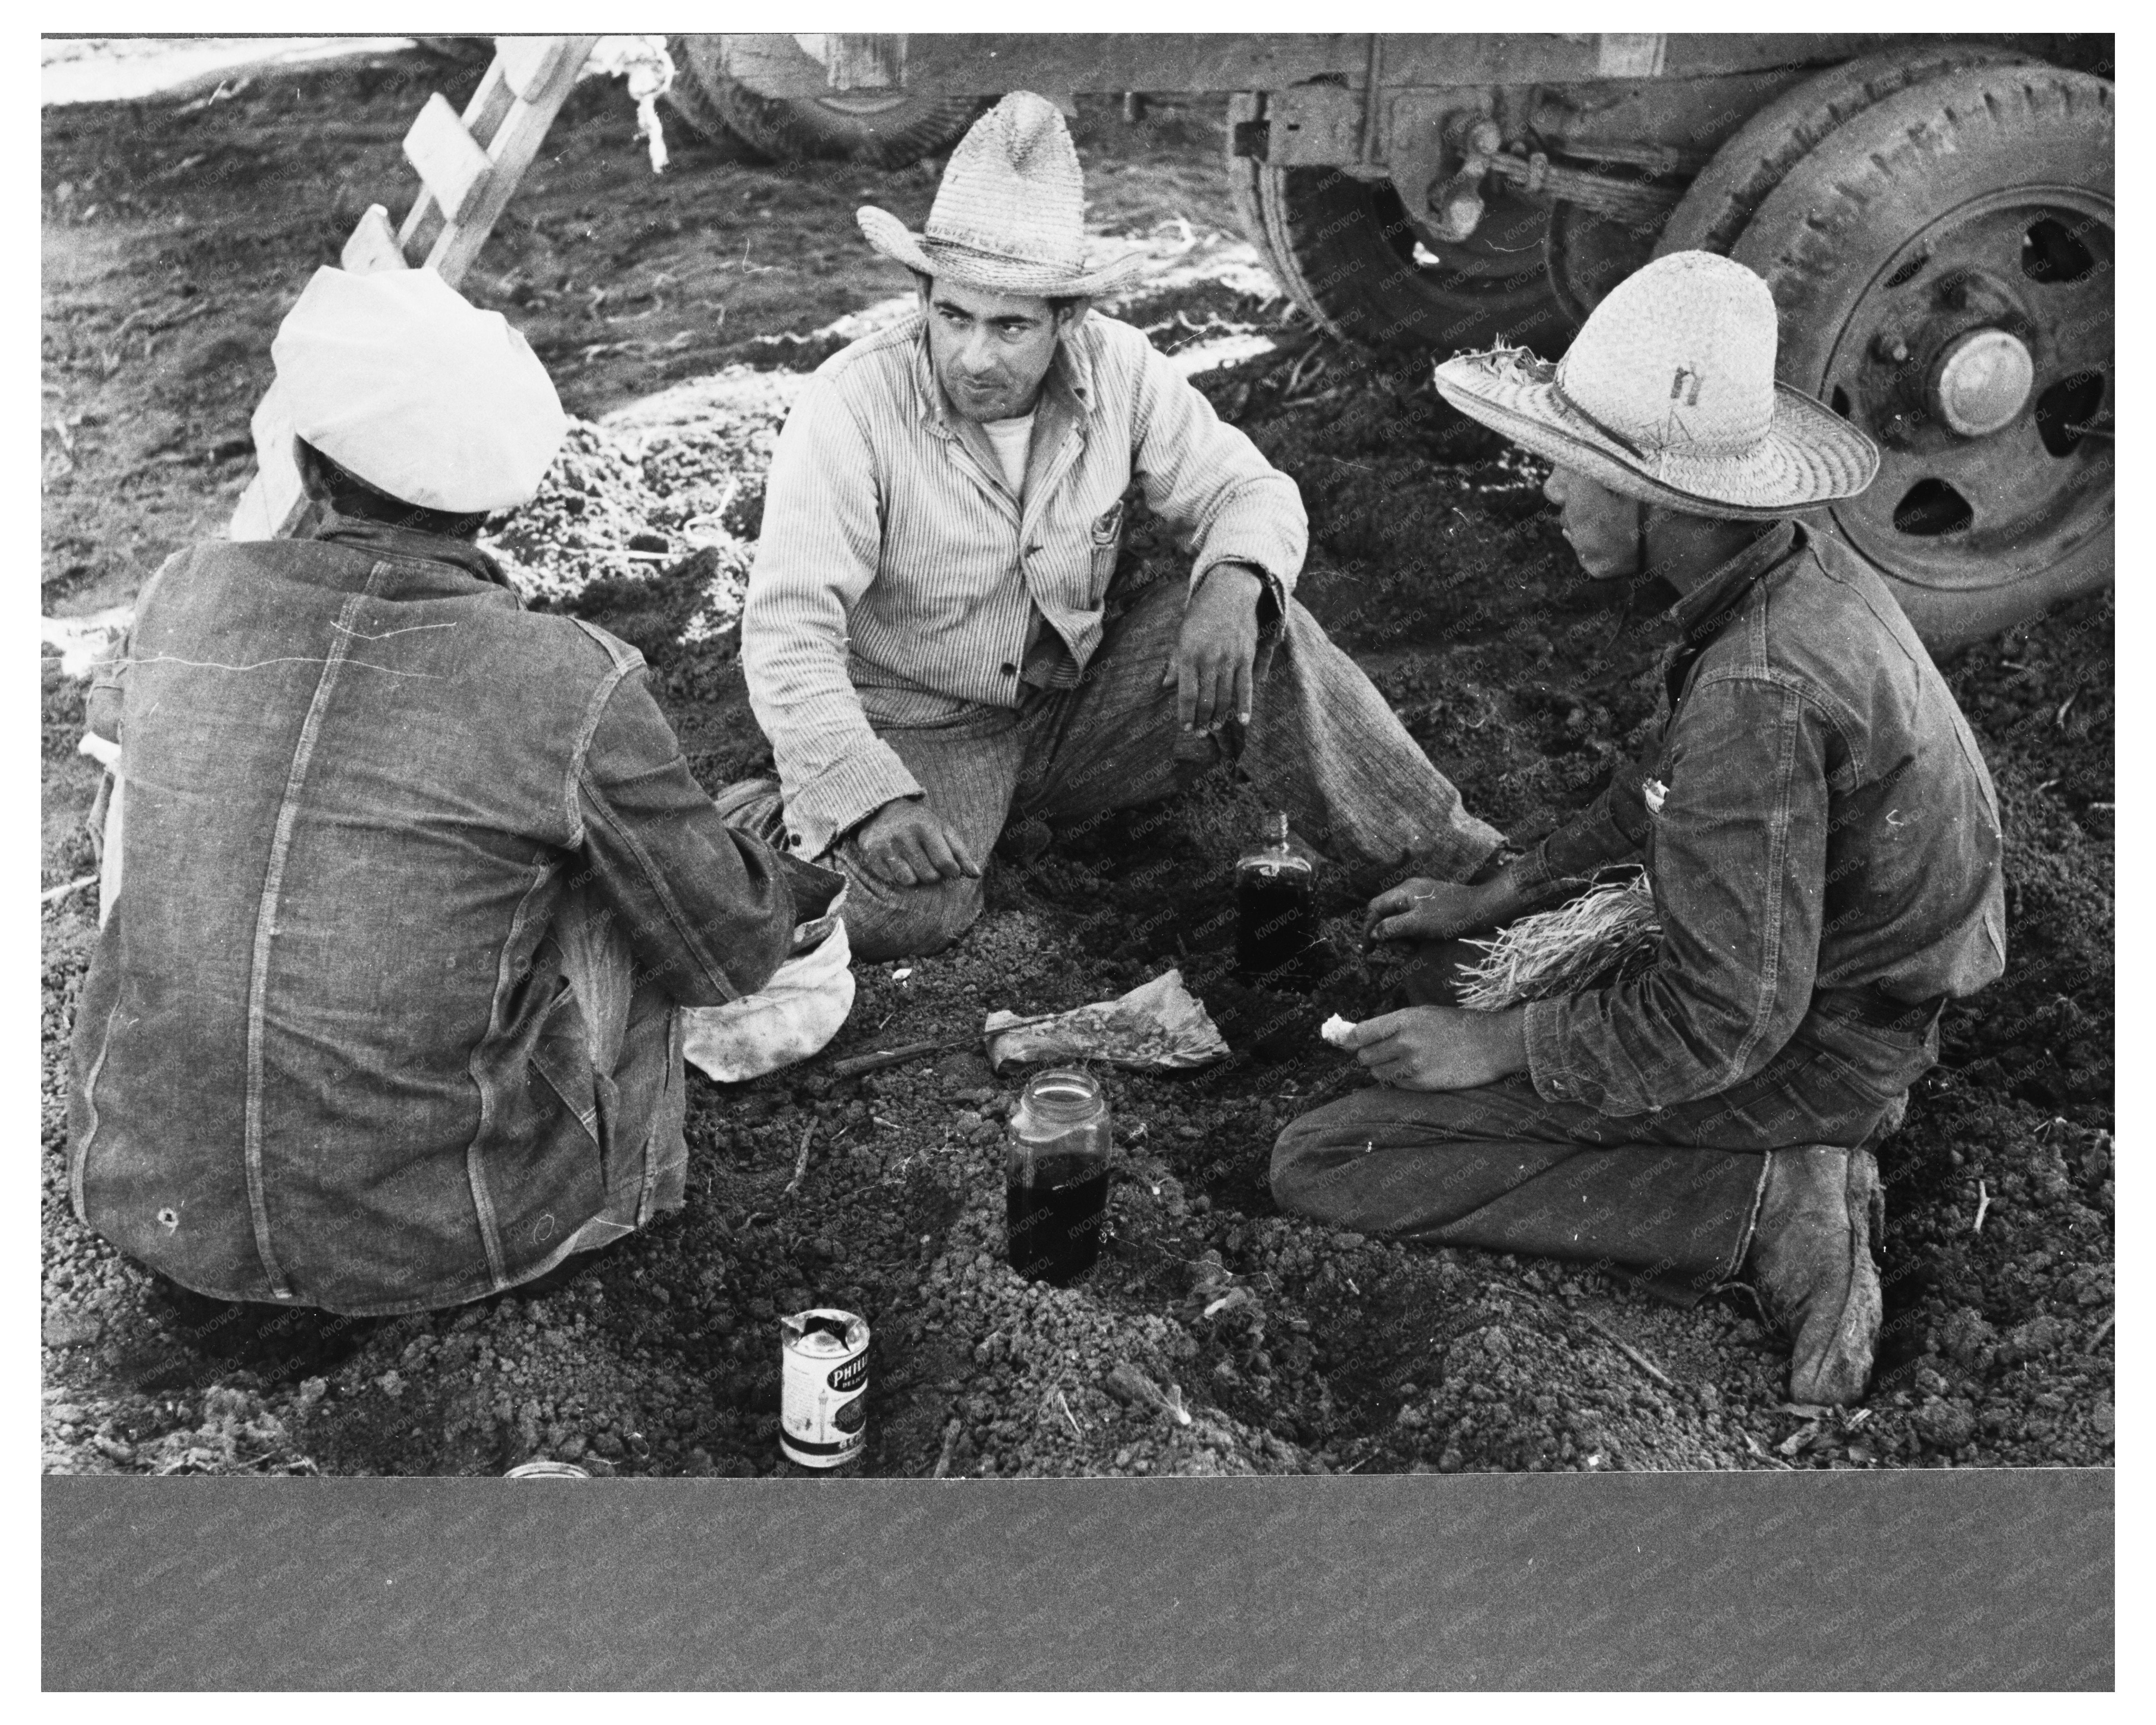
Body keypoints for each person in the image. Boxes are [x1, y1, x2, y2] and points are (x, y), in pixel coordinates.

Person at [1270, 251, 2007, 1406]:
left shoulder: (1753, 695)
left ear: (1666, 498)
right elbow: (1660, 790)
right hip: (1822, 989)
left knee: (1328, 1157)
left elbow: (1726, 1016)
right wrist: (1504, 891)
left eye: (1573, 468)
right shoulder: (1782, 582)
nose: (1551, 492)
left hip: (1819, 1046)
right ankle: (1757, 1158)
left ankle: (1764, 1199)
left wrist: (1504, 1045)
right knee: (1434, 968)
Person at [68, 264, 827, 1330]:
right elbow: (724, 955)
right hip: (425, 1245)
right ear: (493, 499)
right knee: (619, 887)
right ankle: (628, 1211)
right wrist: (774, 870)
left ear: (305, 463)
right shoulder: (567, 679)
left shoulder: (183, 591)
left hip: (155, 1203)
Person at [730, 92, 1502, 961]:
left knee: (1264, 628)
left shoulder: (1120, 368)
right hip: (919, 728)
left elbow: (1248, 488)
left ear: (1069, 318)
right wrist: (869, 796)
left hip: (1072, 713)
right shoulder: (851, 405)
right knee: (905, 916)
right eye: (953, 317)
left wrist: (1231, 583)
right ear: (922, 293)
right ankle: (770, 815)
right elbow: (789, 632)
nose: (976, 356)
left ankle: (1471, 871)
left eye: (1012, 326)